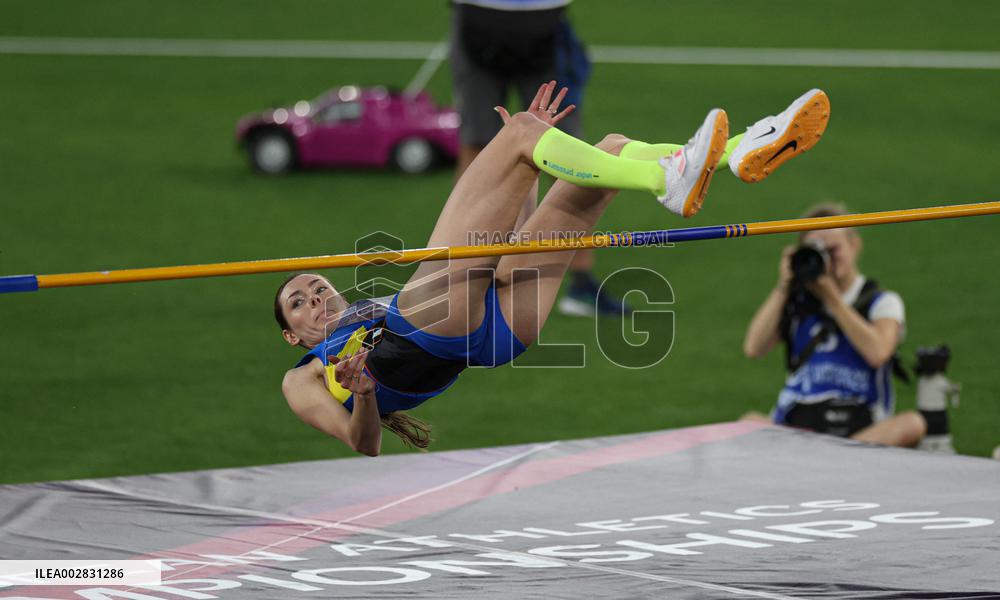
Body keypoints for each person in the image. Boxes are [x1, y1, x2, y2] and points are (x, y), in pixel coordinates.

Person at [278, 82, 830, 455]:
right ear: (291, 335)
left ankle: (741, 150)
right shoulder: (303, 377)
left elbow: (501, 251)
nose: (315, 299)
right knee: (520, 132)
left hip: (494, 327)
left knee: (609, 148)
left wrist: (529, 171)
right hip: (435, 335)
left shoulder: (368, 310)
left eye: (317, 287)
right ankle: (668, 177)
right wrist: (365, 392)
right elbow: (364, 445)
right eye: (298, 303)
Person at [449, 0, 627, 316]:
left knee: (567, 153)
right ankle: (458, 277)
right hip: (478, 22)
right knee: (477, 149)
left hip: (543, 26)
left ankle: (581, 283)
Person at [742, 202, 927, 447]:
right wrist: (783, 287)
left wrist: (832, 299)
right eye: (819, 252)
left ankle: (828, 456)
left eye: (834, 249)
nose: (828, 259)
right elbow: (753, 348)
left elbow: (879, 352)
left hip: (859, 429)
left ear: (855, 245)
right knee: (748, 423)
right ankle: (824, 458)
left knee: (912, 423)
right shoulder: (797, 303)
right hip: (797, 423)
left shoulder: (881, 302)